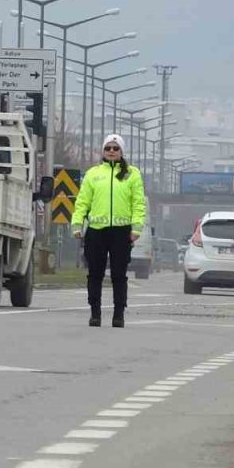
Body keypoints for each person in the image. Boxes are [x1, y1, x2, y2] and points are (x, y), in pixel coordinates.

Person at [71, 134, 148, 328]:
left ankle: (118, 315)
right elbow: (82, 201)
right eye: (108, 148)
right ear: (103, 151)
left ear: (122, 152)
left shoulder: (132, 173)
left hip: (121, 232)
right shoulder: (93, 174)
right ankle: (95, 314)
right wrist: (77, 224)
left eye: (115, 148)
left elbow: (138, 203)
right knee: (95, 274)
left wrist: (137, 227)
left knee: (119, 275)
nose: (112, 151)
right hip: (96, 231)